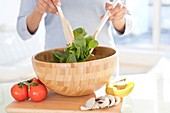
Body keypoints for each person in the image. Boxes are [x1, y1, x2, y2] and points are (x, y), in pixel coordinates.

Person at [17, 0, 133, 50]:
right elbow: (23, 31)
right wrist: (38, 10)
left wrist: (117, 17)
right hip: (58, 66)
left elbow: (127, 24)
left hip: (102, 63)